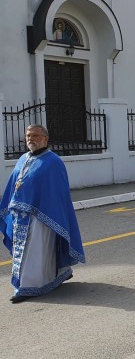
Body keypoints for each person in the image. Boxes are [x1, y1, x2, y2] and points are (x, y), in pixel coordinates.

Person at [1, 124, 84, 303]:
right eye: (28, 136)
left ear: (45, 138)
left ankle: (28, 287)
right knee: (26, 251)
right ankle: (59, 274)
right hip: (20, 216)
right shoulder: (23, 158)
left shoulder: (53, 162)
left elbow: (57, 193)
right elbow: (15, 184)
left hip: (41, 216)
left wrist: (44, 210)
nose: (30, 139)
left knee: (35, 252)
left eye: (35, 135)